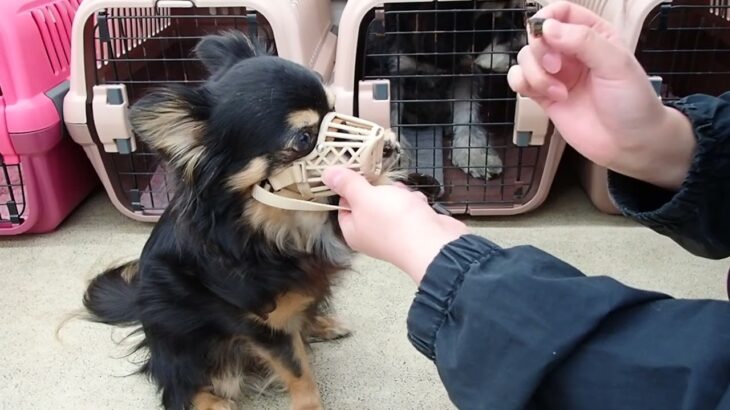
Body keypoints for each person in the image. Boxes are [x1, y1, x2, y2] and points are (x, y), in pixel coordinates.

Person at [321, 2, 730, 409]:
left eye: (508, 21)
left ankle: (470, 144)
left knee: (466, 81)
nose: (512, 38)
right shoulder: (396, 35)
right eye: (492, 22)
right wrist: (663, 143)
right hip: (413, 83)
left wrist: (430, 252)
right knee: (393, 100)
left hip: (454, 62)